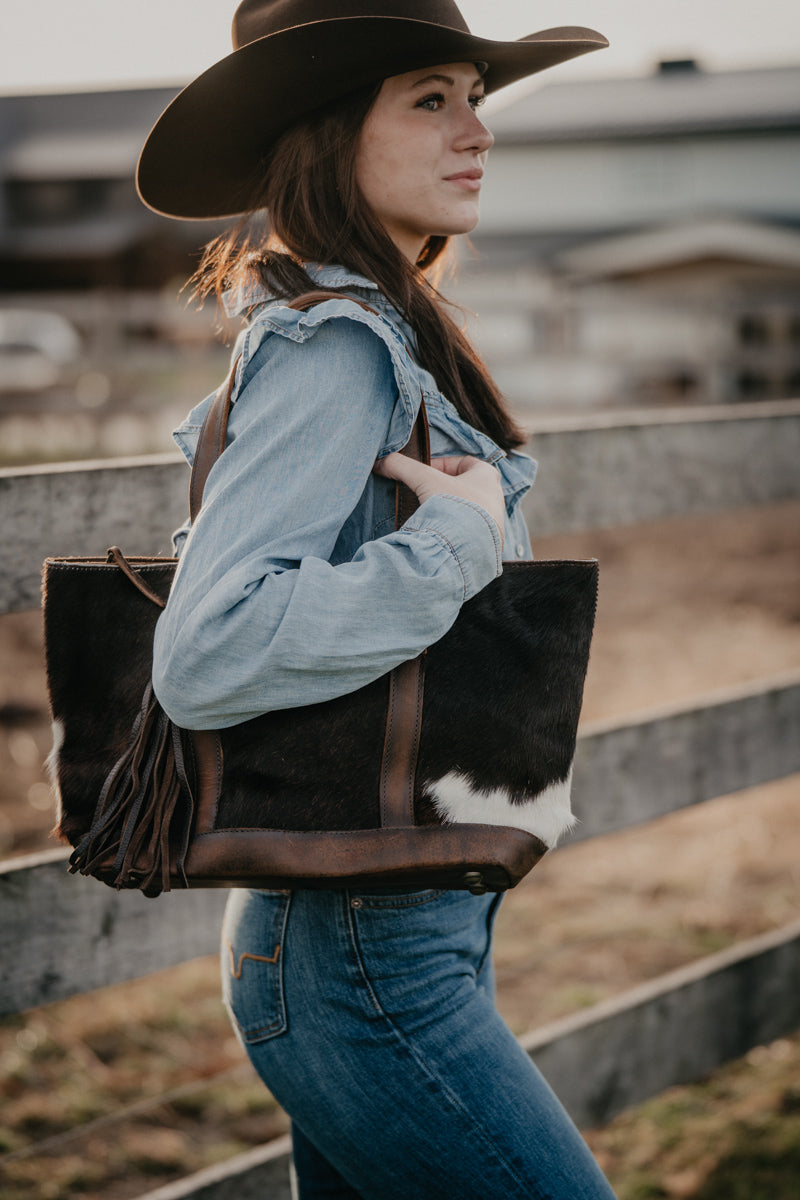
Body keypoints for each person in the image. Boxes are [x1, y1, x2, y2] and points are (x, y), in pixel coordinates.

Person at [138, 2, 615, 1196]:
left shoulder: (385, 330)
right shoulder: (337, 346)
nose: (476, 130)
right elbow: (207, 652)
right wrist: (452, 543)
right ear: (325, 131)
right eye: (429, 98)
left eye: (475, 96)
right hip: (361, 957)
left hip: (388, 926)